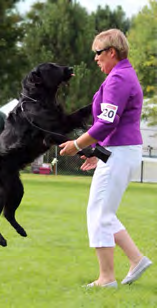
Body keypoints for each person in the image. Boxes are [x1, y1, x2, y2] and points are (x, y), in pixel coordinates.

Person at [59, 29, 152, 288]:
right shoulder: (122, 76)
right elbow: (114, 127)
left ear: (112, 51)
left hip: (121, 154)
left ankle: (107, 278)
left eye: (98, 53)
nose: (96, 59)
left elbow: (106, 123)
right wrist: (98, 154)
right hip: (120, 152)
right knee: (104, 213)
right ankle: (136, 259)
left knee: (99, 213)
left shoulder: (118, 79)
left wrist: (77, 144)